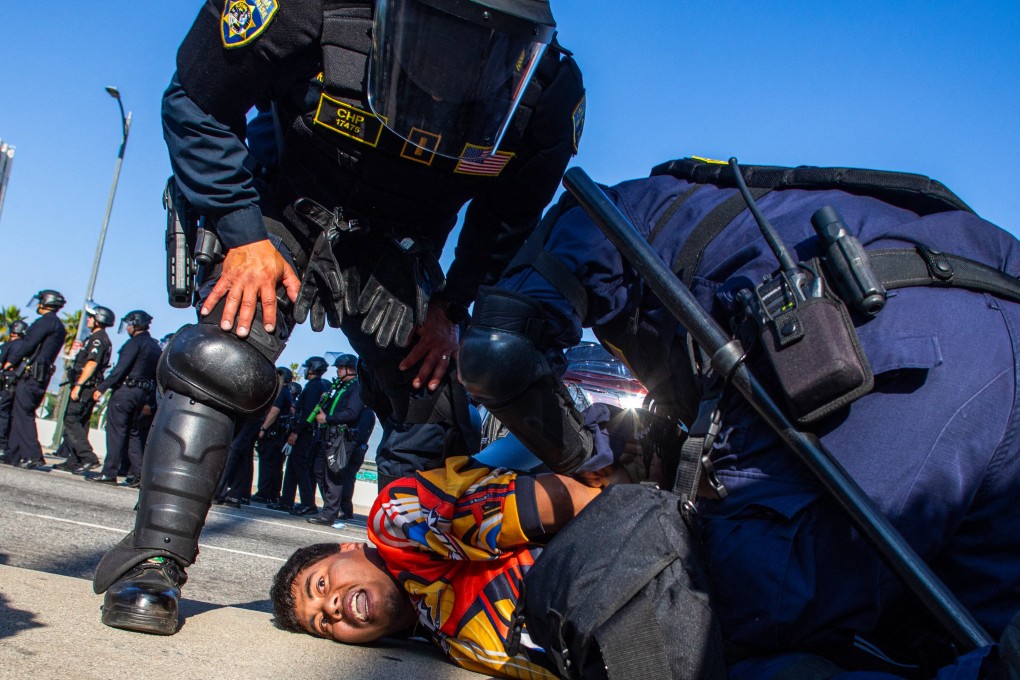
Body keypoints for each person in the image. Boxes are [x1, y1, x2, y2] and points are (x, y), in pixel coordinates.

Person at [92, 0, 585, 636]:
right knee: (223, 359)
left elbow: (508, 218)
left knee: (430, 398)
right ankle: (154, 559)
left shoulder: (545, 86)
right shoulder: (306, 7)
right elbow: (196, 101)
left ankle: (418, 580)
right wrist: (241, 231)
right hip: (281, 211)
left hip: (401, 245)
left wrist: (450, 306)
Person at [456, 157, 1020, 677]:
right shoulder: (728, 209)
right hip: (999, 329)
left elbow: (496, 353)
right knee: (963, 643)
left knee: (713, 620)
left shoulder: (598, 213)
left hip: (873, 349)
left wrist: (590, 464)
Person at [271, 455, 604, 678]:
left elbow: (564, 499)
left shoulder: (398, 523)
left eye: (321, 585)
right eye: (324, 624)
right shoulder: (455, 644)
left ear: (349, 548)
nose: (330, 608)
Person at [86, 311, 161, 486]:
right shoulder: (154, 347)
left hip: (125, 392)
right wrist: (150, 401)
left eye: (129, 324)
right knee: (133, 434)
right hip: (141, 395)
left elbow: (121, 369)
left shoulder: (134, 344)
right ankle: (140, 474)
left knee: (116, 432)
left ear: (136, 324)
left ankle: (109, 472)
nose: (127, 327)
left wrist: (102, 388)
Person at [307, 353, 375, 526]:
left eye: (340, 368)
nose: (337, 371)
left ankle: (330, 513)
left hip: (343, 438)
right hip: (331, 435)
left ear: (350, 369)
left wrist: (327, 419)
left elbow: (351, 413)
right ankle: (332, 508)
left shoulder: (356, 387)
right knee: (320, 470)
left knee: (334, 474)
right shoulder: (343, 387)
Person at [2, 290, 67, 469]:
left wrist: (11, 362)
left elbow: (28, 345)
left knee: (23, 413)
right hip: (40, 374)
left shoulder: (45, 322)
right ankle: (13, 454)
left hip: (32, 374)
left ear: (46, 302)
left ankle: (33, 455)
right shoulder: (58, 325)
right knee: (19, 412)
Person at [55, 304, 115, 475]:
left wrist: (79, 385)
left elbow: (91, 363)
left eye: (91, 317)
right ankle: (74, 460)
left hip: (86, 387)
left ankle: (88, 457)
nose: (88, 319)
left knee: (71, 420)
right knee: (81, 422)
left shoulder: (98, 339)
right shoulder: (97, 338)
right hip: (88, 387)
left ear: (99, 320)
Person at [268, 356, 332, 515]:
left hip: (304, 433)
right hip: (305, 432)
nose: (305, 370)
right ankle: (286, 501)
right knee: (292, 467)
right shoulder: (316, 386)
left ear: (313, 368)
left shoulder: (313, 388)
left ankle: (308, 503)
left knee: (300, 467)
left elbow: (307, 413)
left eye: (308, 367)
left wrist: (296, 432)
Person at [251, 366, 297, 504]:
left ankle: (264, 493)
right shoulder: (288, 392)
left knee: (267, 463)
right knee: (276, 466)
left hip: (273, 434)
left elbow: (274, 411)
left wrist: (263, 428)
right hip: (280, 434)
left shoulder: (281, 392)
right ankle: (273, 493)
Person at [0, 319, 28, 464]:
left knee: (2, 414)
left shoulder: (8, 345)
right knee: (13, 416)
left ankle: (1, 446)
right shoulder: (28, 347)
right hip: (20, 385)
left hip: (5, 383)